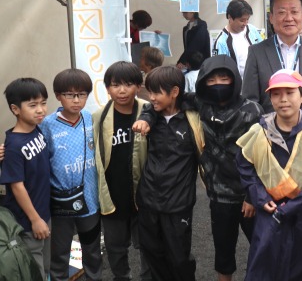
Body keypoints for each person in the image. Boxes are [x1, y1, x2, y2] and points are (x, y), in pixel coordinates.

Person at [135, 55, 264, 281]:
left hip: (248, 193)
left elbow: (263, 156)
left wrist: (253, 195)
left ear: (235, 79)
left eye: (224, 79)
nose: (217, 85)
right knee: (223, 253)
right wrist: (146, 117)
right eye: (211, 81)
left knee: (263, 246)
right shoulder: (199, 104)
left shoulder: (252, 110)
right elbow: (161, 101)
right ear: (203, 83)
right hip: (219, 196)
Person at [236, 69, 302, 281]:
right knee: (265, 263)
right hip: (269, 208)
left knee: (301, 265)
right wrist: (260, 197)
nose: (283, 100)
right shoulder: (260, 131)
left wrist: (293, 206)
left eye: (289, 92)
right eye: (276, 94)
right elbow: (244, 164)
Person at [133, 66, 204, 281]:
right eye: (149, 92)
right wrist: (146, 116)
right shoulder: (149, 118)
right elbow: (149, 109)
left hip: (178, 204)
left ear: (174, 92)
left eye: (156, 92)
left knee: (179, 257)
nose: (151, 98)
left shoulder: (192, 119)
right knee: (152, 252)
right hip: (149, 201)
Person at [39, 69, 102, 281]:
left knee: (92, 249)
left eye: (82, 94)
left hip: (90, 198)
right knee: (60, 251)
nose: (76, 100)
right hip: (61, 202)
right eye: (69, 95)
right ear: (58, 95)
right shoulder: (46, 125)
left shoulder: (90, 118)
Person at [93, 61, 151, 280]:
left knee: (148, 245)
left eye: (128, 84)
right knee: (115, 249)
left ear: (138, 85)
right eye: (116, 85)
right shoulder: (98, 117)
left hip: (144, 193)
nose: (122, 90)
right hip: (113, 194)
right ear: (107, 88)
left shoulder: (148, 110)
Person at [0, 78, 51, 280]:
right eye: (32, 105)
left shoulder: (36, 130)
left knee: (45, 265)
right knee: (33, 270)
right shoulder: (13, 145)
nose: (40, 110)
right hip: (28, 221)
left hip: (44, 212)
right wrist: (35, 219)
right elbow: (17, 186)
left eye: (43, 103)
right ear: (15, 109)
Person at [213, 0, 264, 78]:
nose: (245, 23)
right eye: (242, 20)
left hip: (256, 82)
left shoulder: (252, 30)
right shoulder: (221, 42)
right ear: (230, 17)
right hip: (237, 87)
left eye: (247, 19)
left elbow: (263, 51)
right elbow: (219, 71)